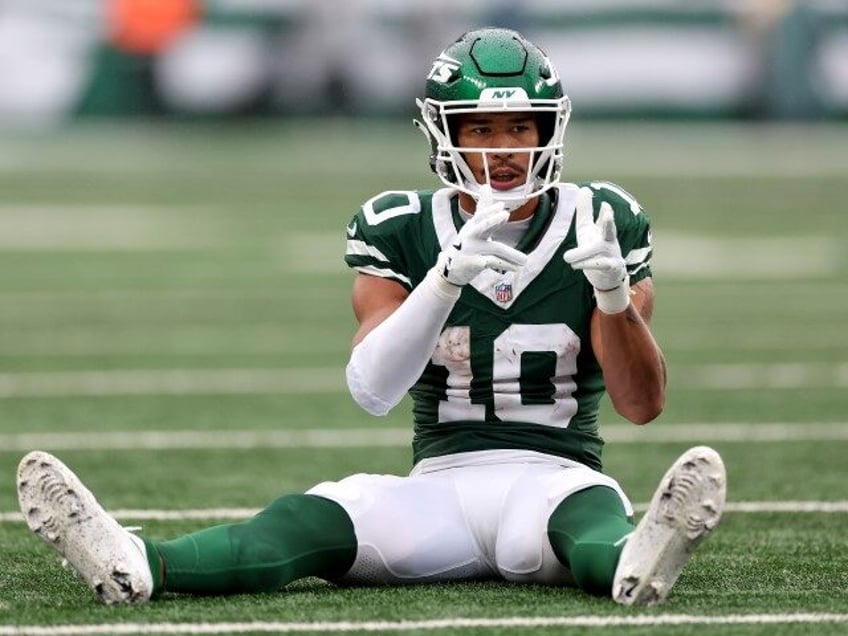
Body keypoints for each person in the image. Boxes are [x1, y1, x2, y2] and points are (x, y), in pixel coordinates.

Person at [16, 27, 726, 608]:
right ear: (443, 133)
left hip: (556, 478)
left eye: (522, 126)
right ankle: (138, 562)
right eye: (480, 128)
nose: (505, 147)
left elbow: (641, 405)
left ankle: (637, 558)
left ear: (552, 128)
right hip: (440, 489)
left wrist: (611, 297)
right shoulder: (402, 226)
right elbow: (372, 388)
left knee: (589, 527)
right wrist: (443, 279)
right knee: (303, 519)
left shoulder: (600, 222)